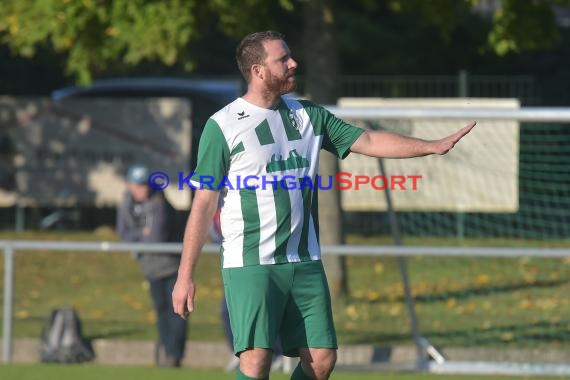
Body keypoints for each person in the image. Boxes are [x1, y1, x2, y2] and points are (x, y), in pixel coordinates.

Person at [172, 30, 476, 380]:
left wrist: (432, 145)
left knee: (321, 359)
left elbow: (370, 139)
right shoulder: (222, 126)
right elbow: (203, 204)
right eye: (282, 59)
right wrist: (185, 276)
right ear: (257, 70)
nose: (293, 63)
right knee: (256, 362)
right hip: (251, 263)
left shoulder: (309, 115)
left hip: (305, 260)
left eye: (290, 56)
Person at [116, 164, 187, 368]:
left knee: (177, 313)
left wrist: (140, 236)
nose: (142, 189)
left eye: (144, 184)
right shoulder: (126, 204)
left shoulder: (160, 203)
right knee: (161, 311)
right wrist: (142, 234)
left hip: (172, 266)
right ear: (129, 185)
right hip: (150, 268)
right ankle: (168, 352)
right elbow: (124, 234)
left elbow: (156, 237)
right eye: (138, 185)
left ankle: (175, 355)